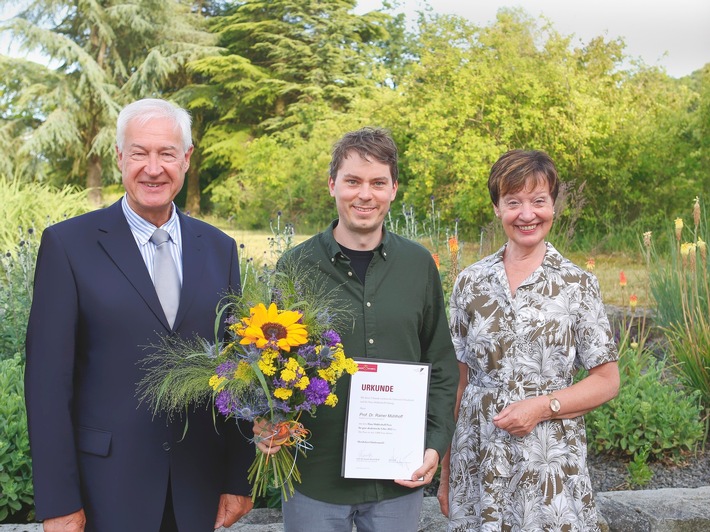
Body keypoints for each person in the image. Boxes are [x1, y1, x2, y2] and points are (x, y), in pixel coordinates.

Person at [25, 98, 254, 532]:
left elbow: (237, 368)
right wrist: (58, 501)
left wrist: (237, 477)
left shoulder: (219, 249)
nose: (153, 168)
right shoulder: (68, 246)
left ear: (186, 159)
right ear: (119, 158)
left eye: (167, 153)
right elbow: (46, 385)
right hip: (105, 490)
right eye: (139, 153)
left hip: (197, 489)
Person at [253, 127, 459, 531]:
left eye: (378, 183)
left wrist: (435, 445)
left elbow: (440, 365)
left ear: (394, 189)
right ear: (333, 185)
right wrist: (262, 420)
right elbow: (266, 360)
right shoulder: (296, 267)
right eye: (353, 181)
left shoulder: (418, 266)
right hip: (315, 477)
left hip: (398, 479)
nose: (365, 194)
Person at [438, 149, 620, 531]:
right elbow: (458, 382)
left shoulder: (577, 285)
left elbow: (607, 381)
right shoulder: (470, 282)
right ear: (497, 208)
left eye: (539, 201)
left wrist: (542, 406)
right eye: (513, 202)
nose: (527, 214)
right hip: (479, 460)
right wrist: (446, 472)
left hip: (550, 460)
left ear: (553, 206)